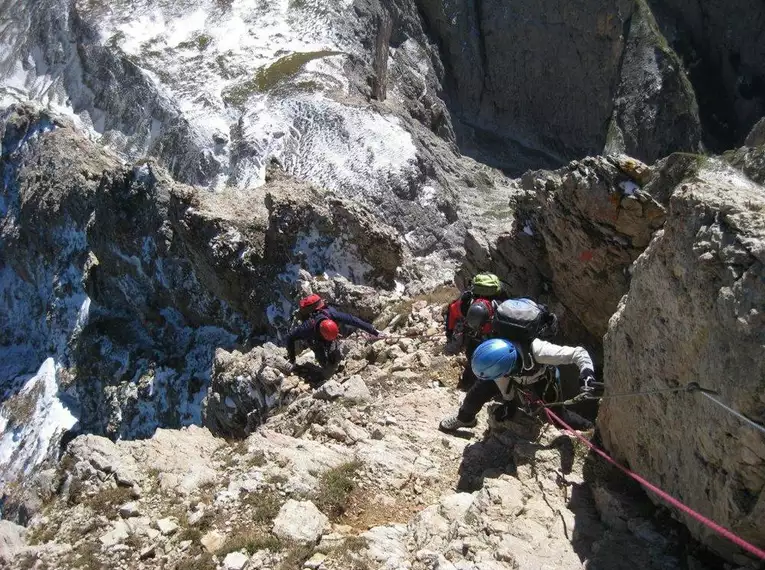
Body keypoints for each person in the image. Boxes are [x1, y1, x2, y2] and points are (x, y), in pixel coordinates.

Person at [439, 299, 595, 432]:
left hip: (541, 377)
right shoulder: (496, 355)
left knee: (559, 416)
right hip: (509, 369)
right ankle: (464, 418)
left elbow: (578, 353)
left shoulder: (538, 351)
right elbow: (501, 380)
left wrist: (587, 374)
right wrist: (509, 402)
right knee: (476, 393)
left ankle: (590, 428)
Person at [286, 294, 380, 380]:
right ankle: (324, 365)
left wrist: (375, 332)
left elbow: (354, 320)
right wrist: (292, 360)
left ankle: (331, 359)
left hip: (327, 333)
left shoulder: (331, 313)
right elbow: (290, 337)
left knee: (332, 353)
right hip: (315, 340)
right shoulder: (307, 327)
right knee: (321, 357)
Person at [443, 273, 508, 389]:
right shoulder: (502, 304)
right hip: (496, 342)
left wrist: (449, 334)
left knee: (473, 362)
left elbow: (452, 311)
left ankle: (467, 385)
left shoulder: (467, 301)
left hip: (474, 339)